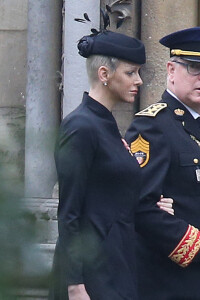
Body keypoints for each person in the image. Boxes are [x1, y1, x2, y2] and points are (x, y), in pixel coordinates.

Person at [48, 28, 172, 300]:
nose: (138, 81)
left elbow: (109, 200)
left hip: (117, 266)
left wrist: (152, 206)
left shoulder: (106, 126)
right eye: (131, 73)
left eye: (138, 72)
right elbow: (69, 212)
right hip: (91, 277)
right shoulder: (81, 126)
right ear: (104, 74)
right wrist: (74, 285)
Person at [126, 26, 200, 300]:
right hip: (175, 284)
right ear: (171, 69)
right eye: (193, 66)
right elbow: (140, 208)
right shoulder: (152, 126)